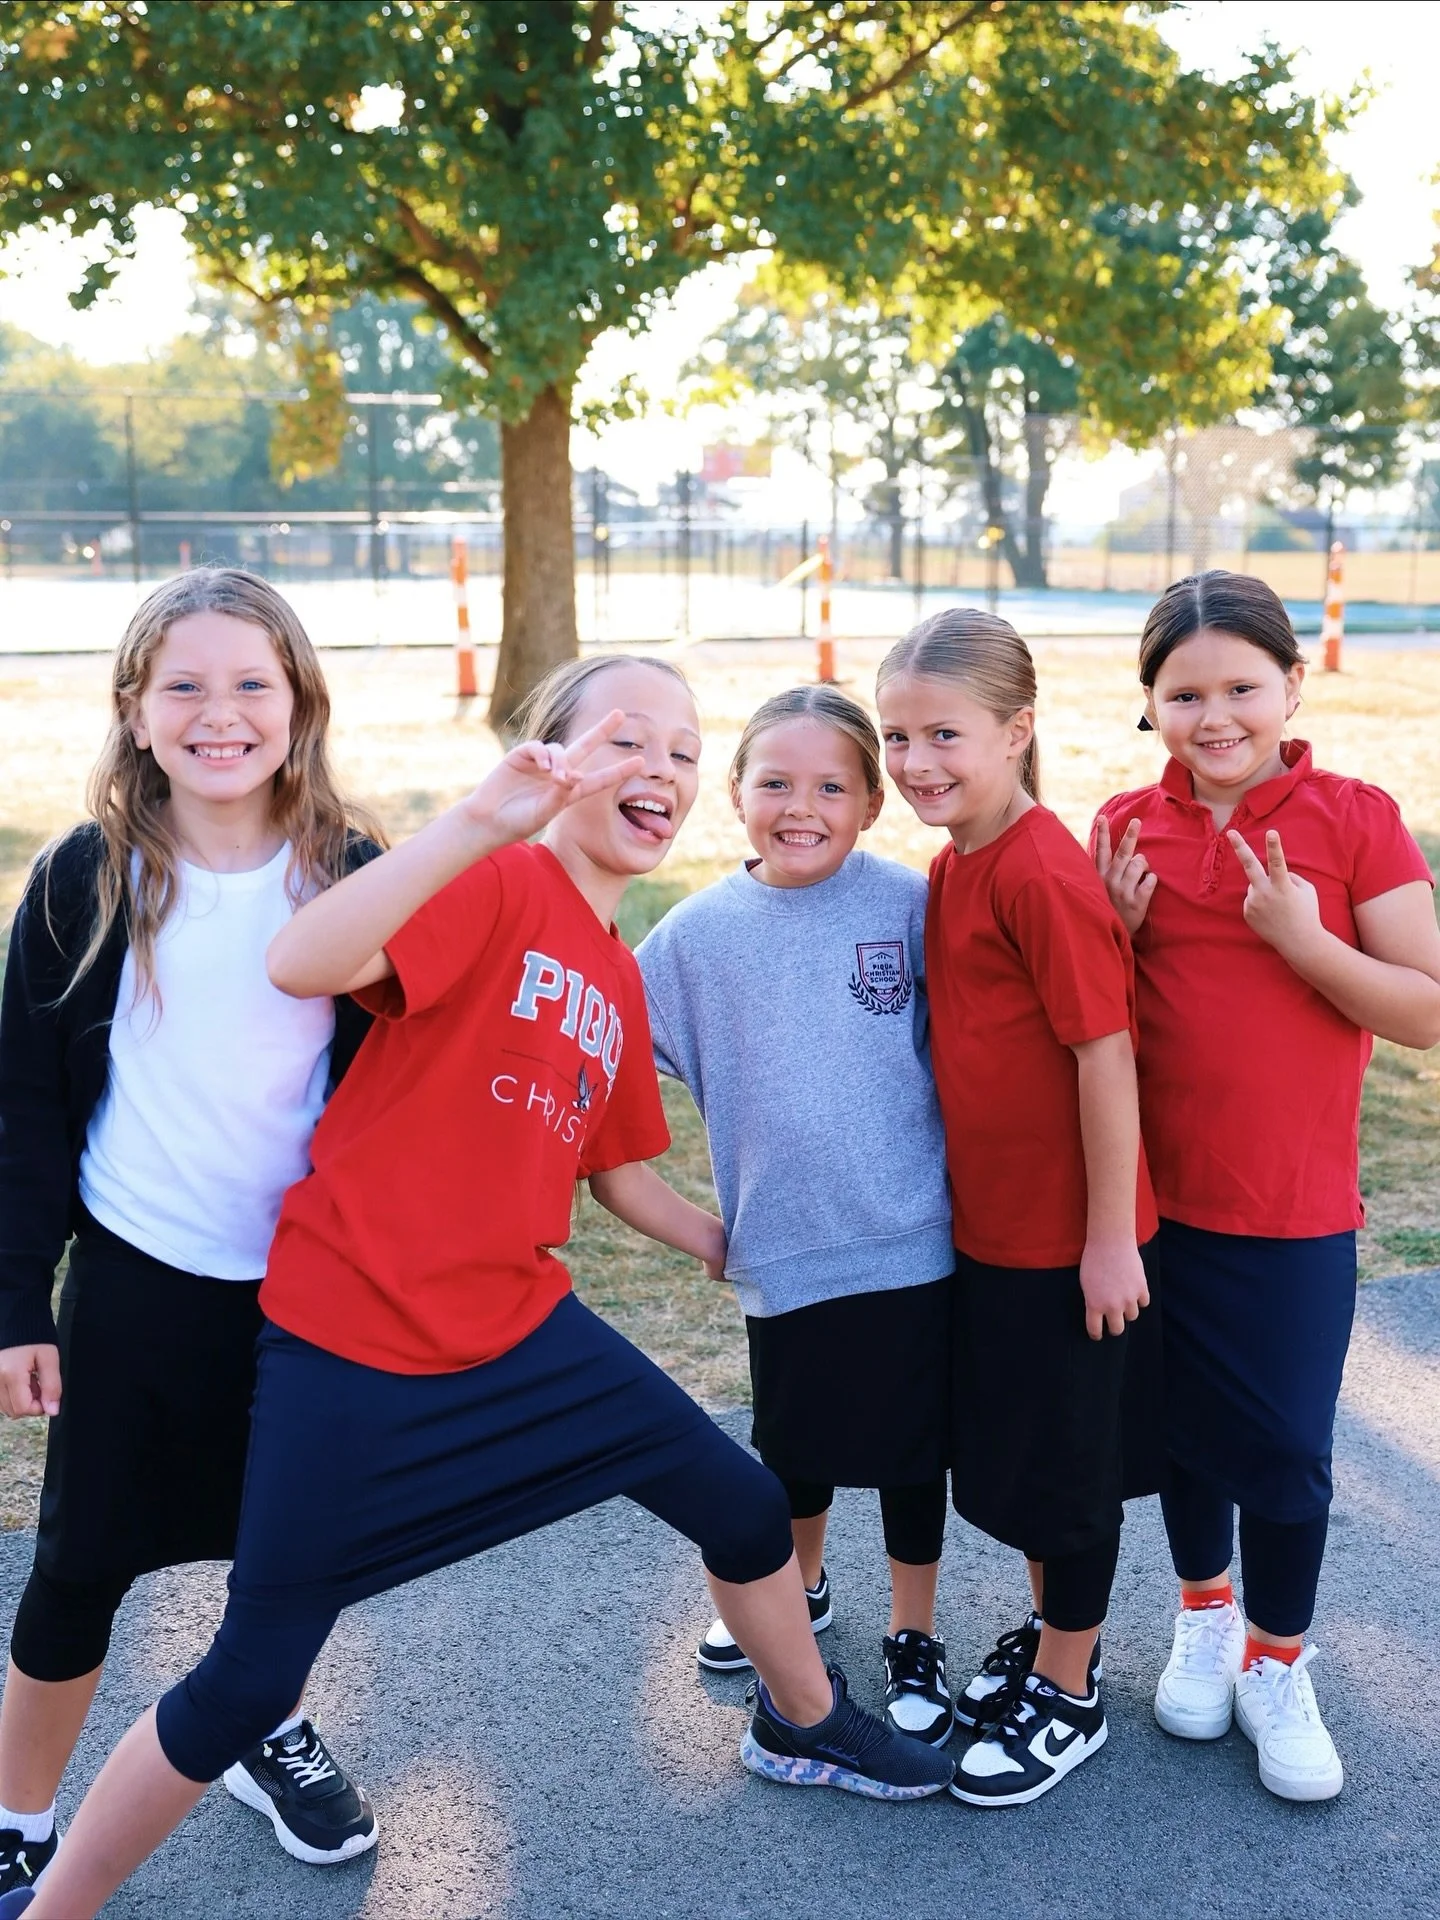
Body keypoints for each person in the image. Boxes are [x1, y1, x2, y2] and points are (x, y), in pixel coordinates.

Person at [17, 653, 953, 1920]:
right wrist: (481, 820)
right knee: (246, 1681)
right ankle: (57, 1903)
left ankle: (806, 1721)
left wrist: (743, 1244)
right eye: (628, 741)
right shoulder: (498, 881)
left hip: (518, 1330)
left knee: (739, 1506)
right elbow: (305, 959)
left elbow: (621, 1178)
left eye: (684, 752)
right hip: (349, 1336)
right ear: (552, 760)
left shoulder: (615, 976)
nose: (662, 771)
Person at [0, 569, 382, 1901]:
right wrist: (15, 1308)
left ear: (300, 703)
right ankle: (20, 1816)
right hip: (136, 1285)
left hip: (305, 1297)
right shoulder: (82, 881)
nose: (220, 714)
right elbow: (24, 1119)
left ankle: (257, 1722)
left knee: (282, 1554)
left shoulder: (355, 875)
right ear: (136, 710)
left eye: (251, 685)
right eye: (186, 687)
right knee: (81, 1570)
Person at [1092, 570, 1440, 1803]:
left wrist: (1307, 942)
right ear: (1151, 705)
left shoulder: (1356, 817)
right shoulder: (1125, 824)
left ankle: (1278, 1660)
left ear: (1293, 685)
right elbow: (1098, 1032)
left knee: (1285, 1452)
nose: (1216, 714)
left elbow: (1427, 1011)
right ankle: (1203, 1613)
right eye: (1184, 692)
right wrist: (1118, 942)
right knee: (1185, 1435)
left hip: (1289, 1215)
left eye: (1242, 686)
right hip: (1151, 1211)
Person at [876, 608, 1159, 1808]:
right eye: (896, 736)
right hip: (989, 1234)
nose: (916, 762)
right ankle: (1051, 1645)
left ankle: (1073, 1695)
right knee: (1023, 1462)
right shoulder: (956, 865)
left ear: (1019, 730)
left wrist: (1105, 1241)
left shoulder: (1038, 867)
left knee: (1068, 1475)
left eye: (946, 733)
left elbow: (1106, 1056)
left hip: (1068, 1243)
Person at [636, 686, 956, 1744]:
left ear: (872, 800)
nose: (801, 805)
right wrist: (690, 1225)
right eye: (776, 782)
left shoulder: (912, 907)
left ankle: (916, 1633)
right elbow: (606, 1062)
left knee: (914, 1458)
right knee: (795, 1451)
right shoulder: (693, 939)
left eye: (831, 785)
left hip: (914, 1240)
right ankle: (798, 1597)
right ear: (735, 795)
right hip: (784, 1251)